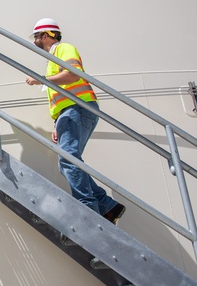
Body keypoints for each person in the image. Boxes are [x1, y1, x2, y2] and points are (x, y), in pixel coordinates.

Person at [24, 18, 125, 223]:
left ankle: (88, 208)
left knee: (68, 159)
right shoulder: (53, 58)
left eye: (36, 36)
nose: (34, 40)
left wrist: (40, 79)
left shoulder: (64, 48)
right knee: (68, 162)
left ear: (45, 35)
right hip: (70, 112)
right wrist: (57, 123)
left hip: (77, 108)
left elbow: (72, 76)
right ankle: (107, 206)